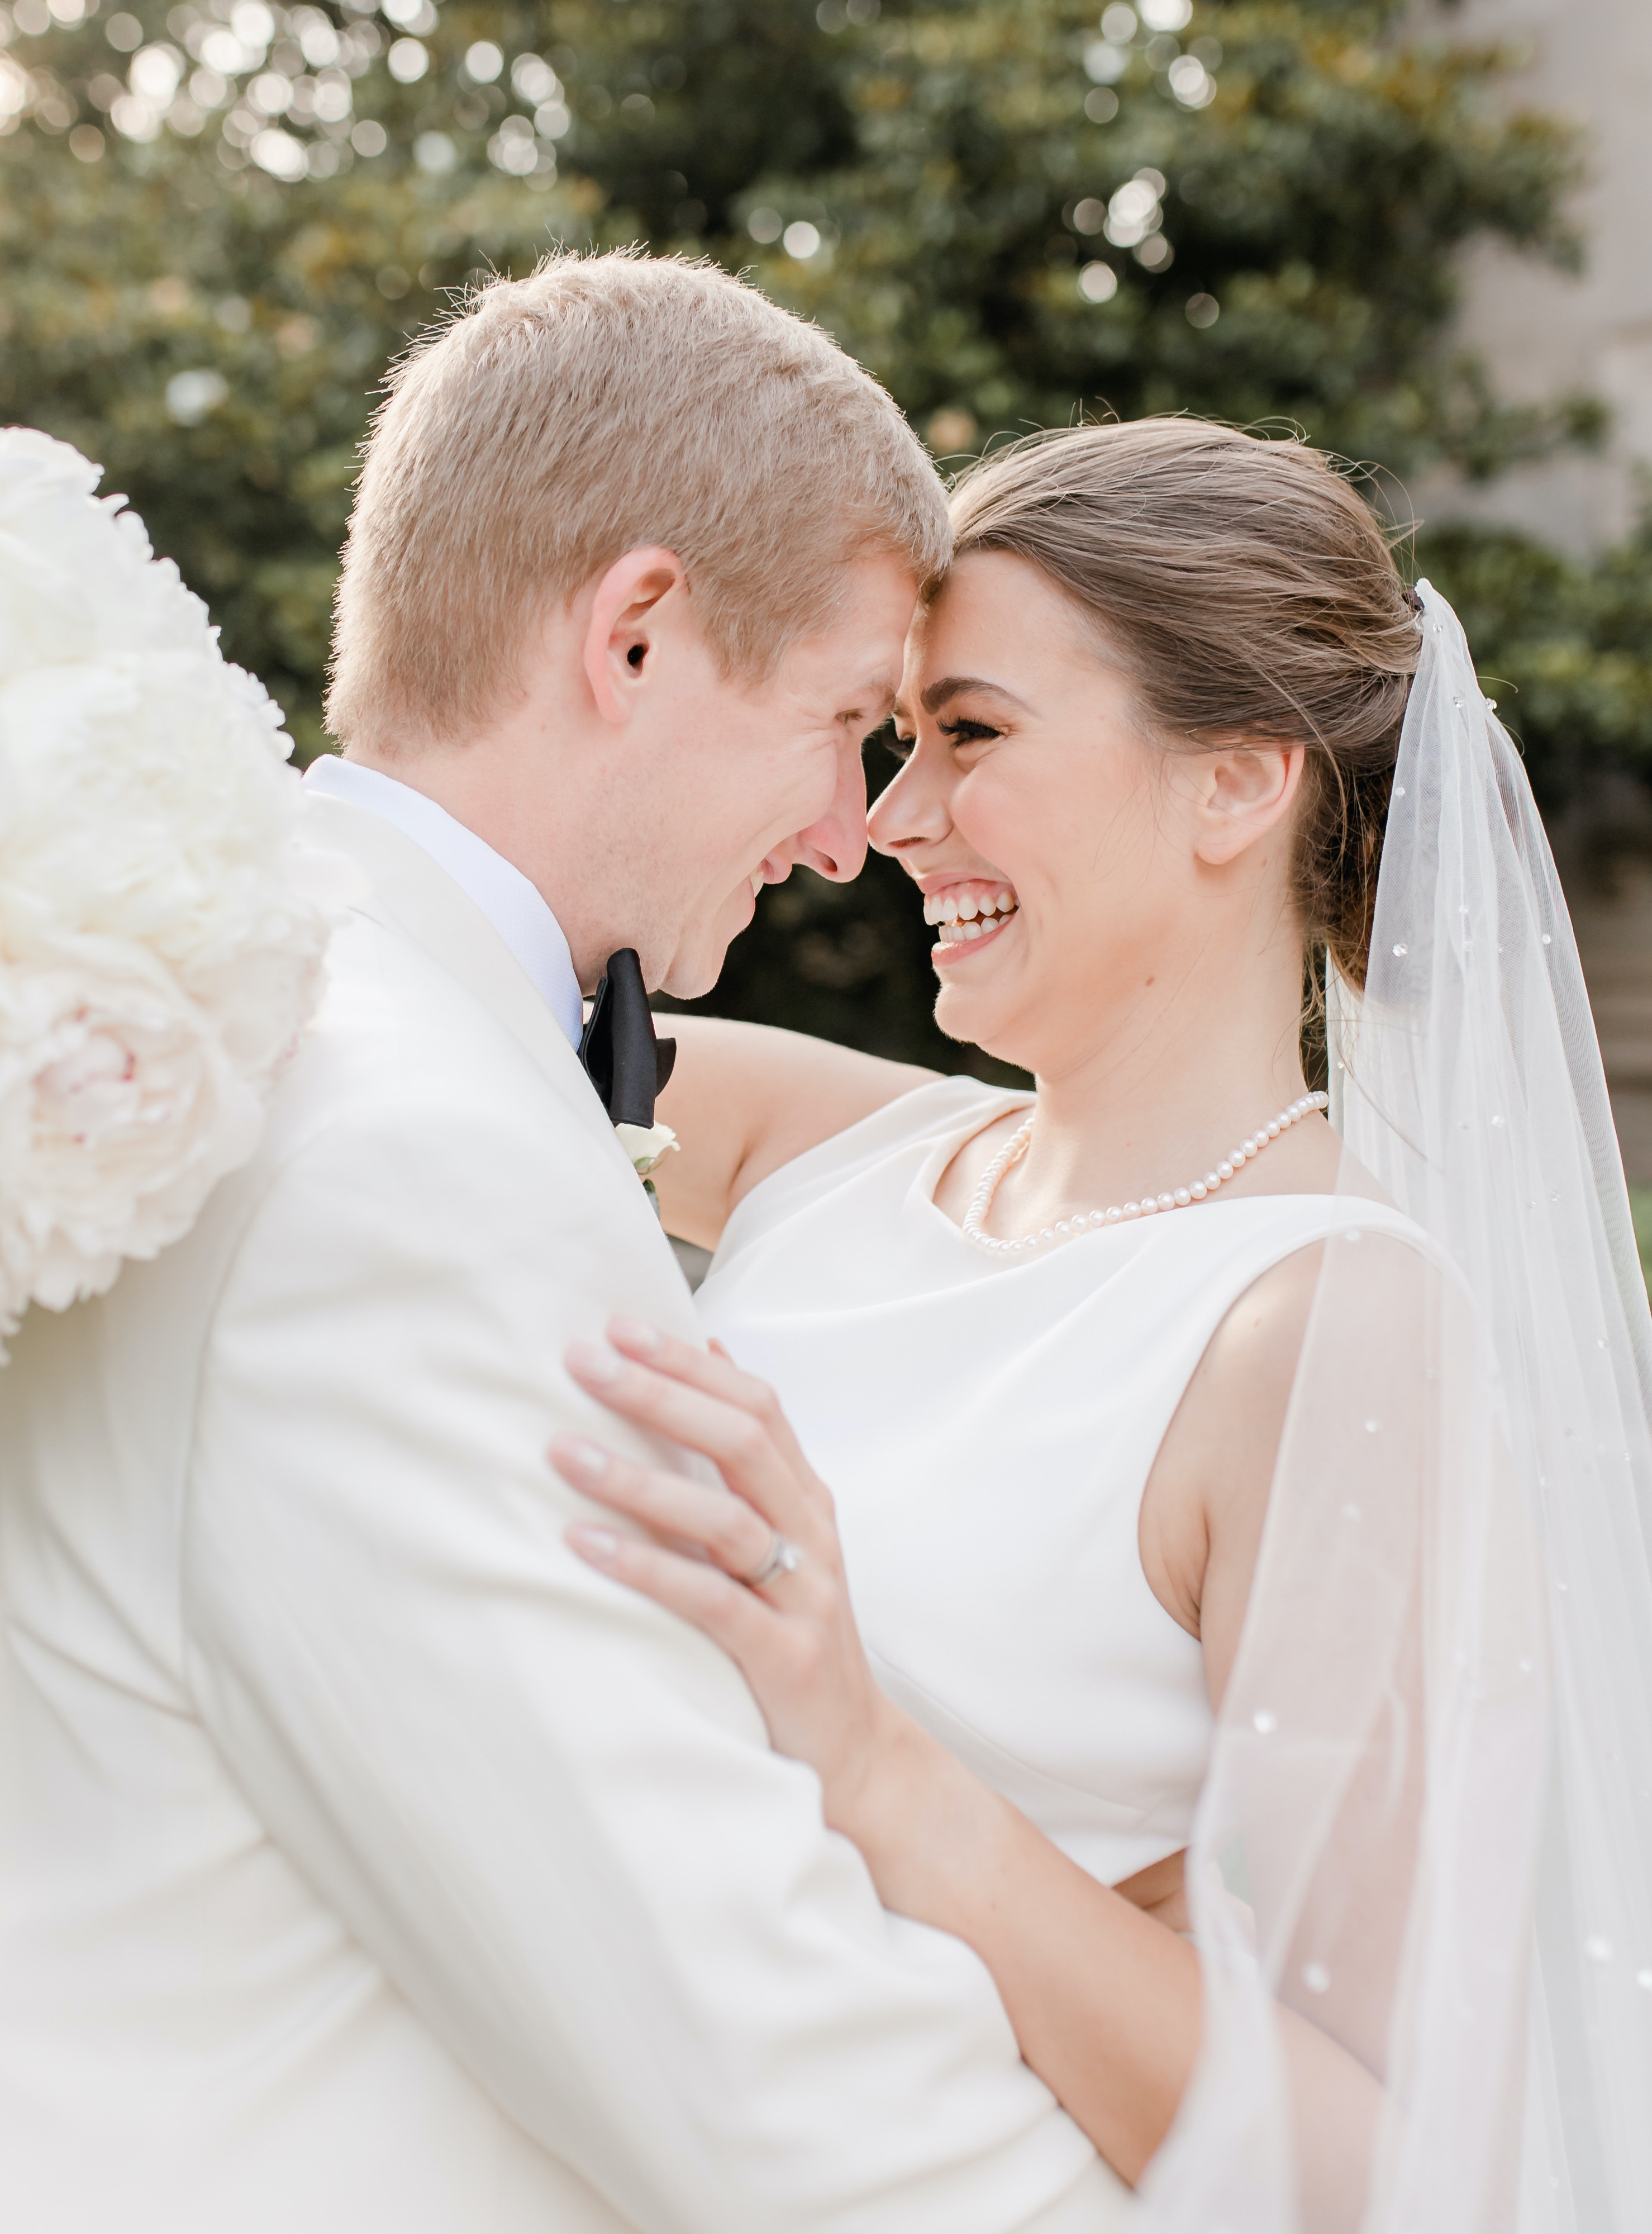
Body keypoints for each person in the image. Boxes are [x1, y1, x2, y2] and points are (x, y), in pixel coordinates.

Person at [0, 252, 1131, 2232]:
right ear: (642, 637)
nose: (854, 832)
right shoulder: (409, 1159)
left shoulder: (270, 1021)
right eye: (847, 720)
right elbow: (754, 2070)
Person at [558, 422, 1652, 2233]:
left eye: (969, 736)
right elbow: (453, 990)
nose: (886, 823)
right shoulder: (844, 1151)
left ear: (1235, 787)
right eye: (895, 742)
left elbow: (1367, 2171)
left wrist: (879, 1764)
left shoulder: (1322, 1328)